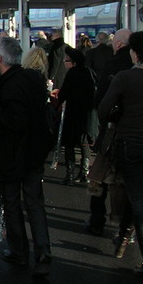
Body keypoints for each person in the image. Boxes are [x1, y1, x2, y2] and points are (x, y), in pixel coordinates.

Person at [97, 31, 143, 280]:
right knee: (136, 191)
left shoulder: (125, 77)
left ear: (135, 53)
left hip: (130, 142)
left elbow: (104, 109)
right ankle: (122, 239)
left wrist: (117, 117)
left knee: (138, 197)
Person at [0, 36, 54, 277]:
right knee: (35, 203)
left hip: (13, 152)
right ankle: (43, 251)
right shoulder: (32, 79)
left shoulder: (8, 85)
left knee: (12, 202)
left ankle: (19, 251)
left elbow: (14, 122)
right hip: (35, 152)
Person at [86, 28, 133, 235]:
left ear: (119, 44)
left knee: (100, 176)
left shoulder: (113, 66)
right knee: (128, 181)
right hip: (136, 134)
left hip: (112, 132)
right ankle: (125, 227)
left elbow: (101, 101)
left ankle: (97, 221)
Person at [54, 47, 96, 184]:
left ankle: (70, 174)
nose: (65, 63)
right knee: (84, 144)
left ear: (73, 63)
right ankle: (85, 172)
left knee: (70, 144)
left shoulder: (72, 74)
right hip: (87, 114)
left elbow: (63, 94)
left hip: (72, 113)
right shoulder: (89, 73)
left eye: (67, 60)